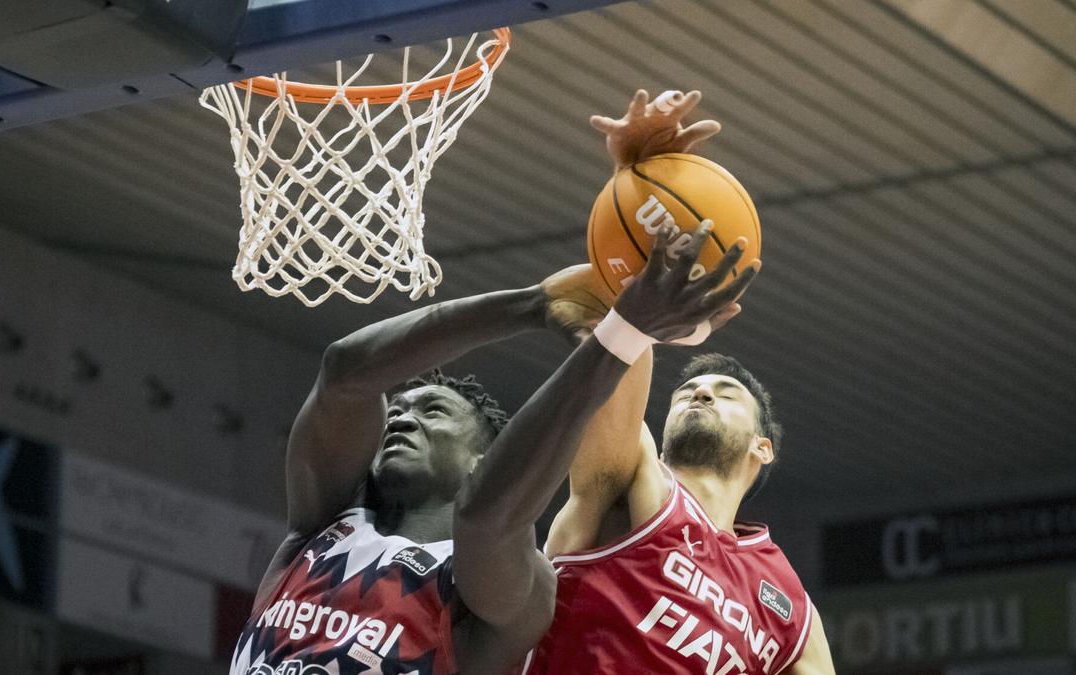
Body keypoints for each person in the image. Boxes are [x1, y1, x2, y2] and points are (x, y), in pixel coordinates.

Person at [228, 91, 737, 675]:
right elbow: (344, 373)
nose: (402, 416)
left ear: (480, 460)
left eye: (433, 413)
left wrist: (624, 330)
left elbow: (487, 514)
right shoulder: (320, 525)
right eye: (403, 407)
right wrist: (532, 304)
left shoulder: (504, 594)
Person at [522, 94, 838, 675]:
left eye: (726, 392)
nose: (699, 393)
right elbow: (611, 336)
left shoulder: (790, 604)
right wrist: (636, 188)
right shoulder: (631, 478)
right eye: (687, 391)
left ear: (762, 447)